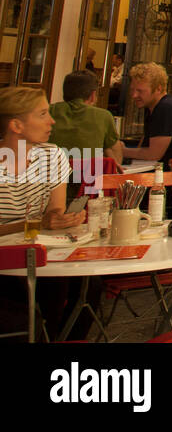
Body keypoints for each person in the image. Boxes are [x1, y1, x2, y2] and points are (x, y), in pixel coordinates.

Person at [0, 87, 91, 340]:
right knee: (47, 284)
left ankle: (60, 338)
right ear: (16, 125)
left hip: (39, 249)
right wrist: (35, 224)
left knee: (87, 281)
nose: (51, 120)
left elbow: (55, 211)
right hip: (6, 258)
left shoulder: (52, 155)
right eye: (42, 114)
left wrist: (64, 219)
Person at [122, 63, 172, 194]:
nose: (134, 95)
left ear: (158, 89)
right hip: (171, 175)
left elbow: (153, 154)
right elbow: (145, 144)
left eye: (140, 91)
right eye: (132, 90)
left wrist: (122, 151)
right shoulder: (154, 108)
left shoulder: (165, 109)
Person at [49, 70, 122, 165]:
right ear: (93, 95)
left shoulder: (49, 111)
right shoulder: (103, 116)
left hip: (52, 176)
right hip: (87, 177)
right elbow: (116, 159)